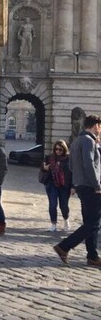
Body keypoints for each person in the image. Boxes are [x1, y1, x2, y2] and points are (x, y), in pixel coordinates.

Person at [53, 114, 101, 267]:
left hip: (81, 185)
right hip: (91, 186)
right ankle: (64, 246)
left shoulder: (76, 141)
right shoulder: (88, 141)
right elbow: (89, 165)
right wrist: (97, 185)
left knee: (91, 221)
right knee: (93, 223)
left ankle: (92, 256)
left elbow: (72, 166)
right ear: (96, 126)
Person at [41, 140, 72, 232]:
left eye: (60, 149)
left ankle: (66, 219)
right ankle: (53, 223)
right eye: (56, 149)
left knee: (64, 206)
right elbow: (42, 167)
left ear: (64, 150)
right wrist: (44, 168)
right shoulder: (49, 158)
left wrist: (73, 187)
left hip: (64, 186)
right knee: (52, 205)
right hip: (52, 184)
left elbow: (72, 174)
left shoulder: (68, 159)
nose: (58, 151)